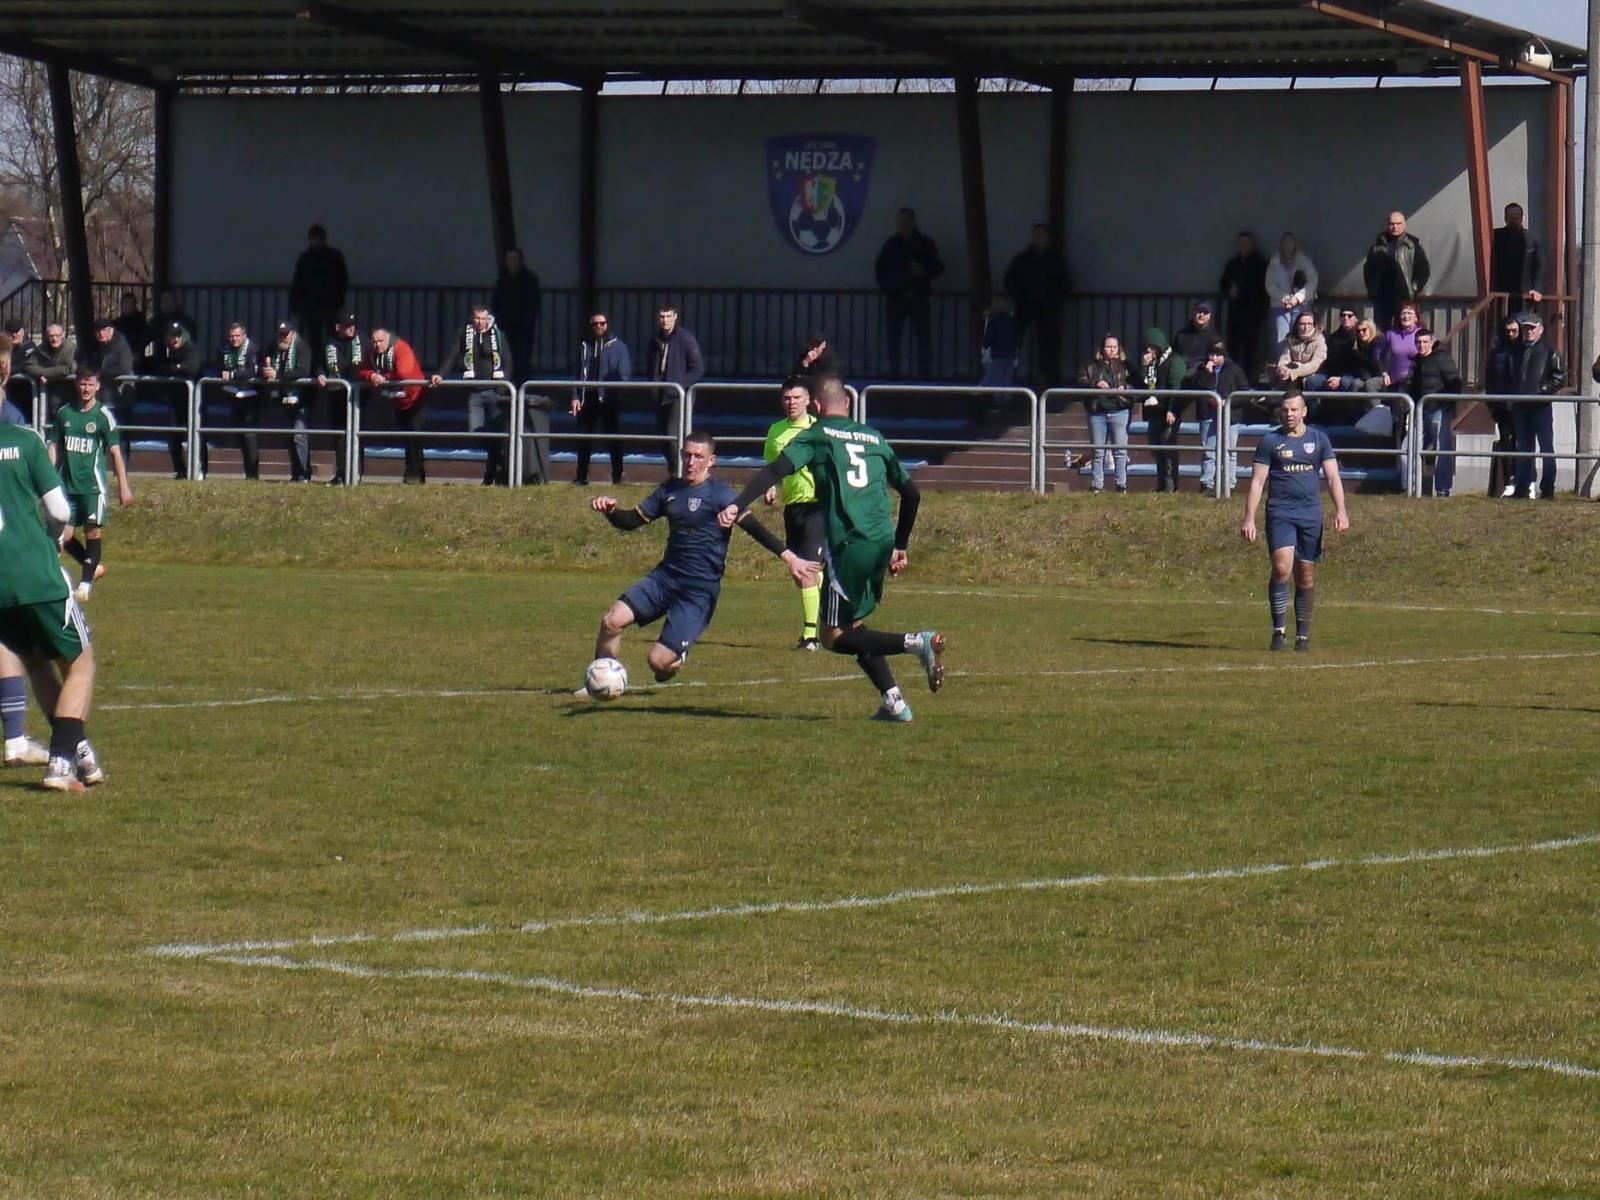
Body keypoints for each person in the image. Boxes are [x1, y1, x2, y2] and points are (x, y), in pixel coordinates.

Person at [718, 376, 945, 723]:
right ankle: (894, 704)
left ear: (817, 408)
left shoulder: (818, 434)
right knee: (855, 625)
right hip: (882, 538)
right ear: (849, 405)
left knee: (833, 636)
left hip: (849, 541)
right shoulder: (874, 436)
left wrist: (737, 503)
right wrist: (900, 545)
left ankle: (917, 642)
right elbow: (912, 494)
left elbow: (777, 469)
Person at [589, 432, 816, 685]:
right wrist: (610, 512)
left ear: (711, 461)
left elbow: (755, 529)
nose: (691, 461)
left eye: (698, 456)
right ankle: (600, 681)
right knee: (611, 622)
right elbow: (631, 521)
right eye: (687, 455)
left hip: (697, 591)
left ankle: (677, 655)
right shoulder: (669, 489)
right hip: (664, 578)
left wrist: (790, 558)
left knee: (659, 664)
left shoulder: (720, 495)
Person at [0, 399, 107, 790]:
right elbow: (60, 511)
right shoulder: (25, 440)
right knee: (81, 662)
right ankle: (60, 763)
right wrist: (51, 538)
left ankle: (80, 754)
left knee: (36, 660)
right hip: (35, 572)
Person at [1239, 386, 1350, 653]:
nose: (1288, 414)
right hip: (1280, 513)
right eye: (1285, 410)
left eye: (1293, 410)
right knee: (1281, 568)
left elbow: (1333, 478)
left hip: (1310, 514)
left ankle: (1302, 635)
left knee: (1305, 575)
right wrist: (1249, 518)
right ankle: (1279, 631)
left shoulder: (1319, 440)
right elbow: (1257, 482)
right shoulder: (1270, 442)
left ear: (1304, 412)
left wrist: (1341, 511)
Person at [49, 368, 133, 602]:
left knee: (92, 531)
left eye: (90, 384)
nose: (86, 388)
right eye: (82, 384)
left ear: (98, 387)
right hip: (68, 487)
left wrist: (123, 486)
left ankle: (85, 584)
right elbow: (54, 446)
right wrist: (48, 478)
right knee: (63, 537)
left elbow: (115, 452)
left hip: (93, 488)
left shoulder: (103, 416)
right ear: (77, 385)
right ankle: (93, 567)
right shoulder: (65, 414)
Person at [762, 377, 824, 650]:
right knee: (799, 573)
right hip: (793, 506)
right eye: (787, 398)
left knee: (806, 570)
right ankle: (826, 587)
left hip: (817, 505)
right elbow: (772, 465)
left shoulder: (818, 429)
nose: (791, 402)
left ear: (808, 400)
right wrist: (772, 487)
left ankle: (811, 636)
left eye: (797, 398)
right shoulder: (775, 431)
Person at [433, 304, 513, 486]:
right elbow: (452, 355)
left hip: (494, 390)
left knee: (495, 433)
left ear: (488, 319)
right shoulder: (464, 333)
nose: (479, 322)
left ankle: (490, 473)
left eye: (482, 319)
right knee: (475, 431)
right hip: (474, 391)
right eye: (476, 318)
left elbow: (508, 361)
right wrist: (440, 373)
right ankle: (500, 462)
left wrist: (502, 386)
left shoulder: (498, 335)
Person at [874, 207, 944, 380]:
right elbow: (879, 269)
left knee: (923, 338)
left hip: (918, 296)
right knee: (893, 339)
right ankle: (894, 374)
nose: (902, 226)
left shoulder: (925, 244)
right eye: (899, 223)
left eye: (905, 222)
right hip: (896, 298)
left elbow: (938, 266)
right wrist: (888, 286)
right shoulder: (891, 245)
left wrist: (924, 271)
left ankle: (924, 375)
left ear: (913, 222)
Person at [1002, 223, 1069, 381]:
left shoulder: (1055, 261)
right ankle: (1010, 374)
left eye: (1042, 235)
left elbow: (1064, 283)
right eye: (1035, 235)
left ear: (1048, 238)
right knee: (1014, 340)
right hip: (1024, 305)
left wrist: (1056, 300)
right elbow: (1010, 280)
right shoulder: (1023, 259)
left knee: (1047, 344)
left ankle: (1045, 376)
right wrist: (1016, 297)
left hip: (1047, 307)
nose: (1038, 239)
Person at [361, 326, 427, 484]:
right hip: (397, 401)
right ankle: (414, 473)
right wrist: (372, 375)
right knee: (406, 438)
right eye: (375, 342)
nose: (377, 345)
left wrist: (383, 377)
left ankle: (414, 474)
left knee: (414, 436)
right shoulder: (372, 353)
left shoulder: (401, 348)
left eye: (381, 341)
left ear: (388, 339)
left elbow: (403, 372)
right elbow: (362, 370)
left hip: (415, 397)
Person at [572, 312, 631, 486]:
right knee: (583, 439)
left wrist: (614, 391)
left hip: (608, 399)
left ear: (608, 324)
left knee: (613, 439)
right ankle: (581, 476)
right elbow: (576, 373)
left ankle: (618, 476)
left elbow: (625, 374)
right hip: (587, 397)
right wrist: (575, 396)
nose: (599, 327)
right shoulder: (584, 347)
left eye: (602, 323)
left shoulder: (618, 347)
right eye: (595, 324)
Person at [645, 303, 704, 478]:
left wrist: (678, 385)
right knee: (662, 436)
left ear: (675, 316)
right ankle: (673, 471)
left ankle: (680, 473)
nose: (665, 320)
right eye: (662, 317)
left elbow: (697, 370)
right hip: (660, 394)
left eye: (668, 316)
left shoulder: (685, 338)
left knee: (674, 436)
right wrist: (653, 384)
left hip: (678, 396)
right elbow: (651, 366)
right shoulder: (655, 339)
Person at [1510, 312, 1564, 501]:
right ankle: (1522, 487)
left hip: (1540, 406)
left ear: (1540, 330)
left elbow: (1559, 377)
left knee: (1546, 447)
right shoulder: (1516, 351)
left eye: (1532, 328)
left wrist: (1543, 391)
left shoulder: (1549, 350)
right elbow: (1511, 375)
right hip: (1520, 406)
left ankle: (1547, 488)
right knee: (1524, 447)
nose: (1528, 332)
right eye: (1526, 328)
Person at [1187, 339, 1251, 494]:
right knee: (1208, 450)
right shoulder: (1201, 370)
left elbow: (1245, 393)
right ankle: (1206, 483)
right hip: (1207, 415)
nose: (1213, 358)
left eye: (1217, 355)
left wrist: (1226, 402)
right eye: (1211, 354)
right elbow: (1197, 386)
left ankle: (1229, 484)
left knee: (1229, 452)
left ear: (1223, 356)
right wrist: (1207, 374)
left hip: (1229, 417)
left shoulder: (1234, 370)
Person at [1407, 328, 1464, 498]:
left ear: (1432, 342)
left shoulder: (1442, 358)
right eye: (1418, 342)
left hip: (1439, 410)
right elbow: (1412, 386)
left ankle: (1442, 489)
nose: (1421, 345)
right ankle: (1412, 486)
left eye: (1425, 342)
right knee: (1410, 447)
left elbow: (1455, 384)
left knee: (1442, 449)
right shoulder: (1416, 361)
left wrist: (1446, 404)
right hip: (1419, 410)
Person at [1131, 328, 1187, 493]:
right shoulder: (1152, 364)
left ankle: (1170, 484)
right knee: (1157, 449)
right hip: (1153, 412)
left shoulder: (1174, 361)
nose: (1149, 351)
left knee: (1168, 447)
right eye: (1147, 347)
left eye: (1152, 347)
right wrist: (1143, 366)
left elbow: (1176, 387)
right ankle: (1161, 483)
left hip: (1167, 411)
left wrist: (1172, 410)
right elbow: (1143, 383)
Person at [146, 320, 204, 478]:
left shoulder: (190, 348)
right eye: (172, 336)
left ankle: (200, 470)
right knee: (174, 434)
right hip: (175, 400)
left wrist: (176, 368)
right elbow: (158, 367)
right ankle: (180, 470)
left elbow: (192, 367)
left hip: (193, 400)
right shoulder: (164, 350)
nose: (175, 339)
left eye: (178, 336)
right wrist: (173, 368)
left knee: (196, 434)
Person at [260, 320, 317, 482]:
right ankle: (296, 472)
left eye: (286, 334)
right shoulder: (274, 347)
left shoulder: (302, 347)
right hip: (283, 397)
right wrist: (266, 371)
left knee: (299, 435)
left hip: (302, 397)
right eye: (280, 334)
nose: (283, 338)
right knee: (289, 436)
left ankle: (305, 472)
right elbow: (265, 363)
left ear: (293, 334)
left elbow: (302, 371)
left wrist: (277, 375)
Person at [1076, 333, 1132, 494]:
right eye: (1108, 346)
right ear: (1102, 349)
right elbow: (1080, 380)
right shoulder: (1090, 365)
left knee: (1120, 450)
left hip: (1119, 411)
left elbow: (1138, 382)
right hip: (1097, 412)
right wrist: (1095, 383)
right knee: (1097, 450)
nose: (1112, 350)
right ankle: (1097, 485)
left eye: (1115, 346)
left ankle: (1121, 484)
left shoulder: (1126, 365)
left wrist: (1126, 389)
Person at [315, 312, 365, 485]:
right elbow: (320, 364)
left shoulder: (362, 342)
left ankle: (357, 472)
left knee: (356, 434)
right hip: (336, 394)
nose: (351, 328)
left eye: (352, 325)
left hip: (357, 396)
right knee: (339, 435)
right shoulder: (329, 344)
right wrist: (320, 374)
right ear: (338, 328)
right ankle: (341, 473)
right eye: (347, 325)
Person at [290, 223, 349, 367]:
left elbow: (343, 281)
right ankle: (314, 369)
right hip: (310, 309)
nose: (316, 242)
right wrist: (297, 306)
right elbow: (297, 283)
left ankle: (332, 367)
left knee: (332, 341)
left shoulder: (334, 257)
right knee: (312, 342)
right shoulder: (305, 259)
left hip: (330, 308)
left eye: (319, 238)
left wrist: (338, 302)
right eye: (314, 239)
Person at [211, 322, 263, 480]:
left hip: (250, 395)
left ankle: (253, 474)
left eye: (237, 336)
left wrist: (232, 375)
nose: (234, 339)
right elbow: (219, 366)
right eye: (231, 336)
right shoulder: (223, 348)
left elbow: (251, 371)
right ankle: (247, 472)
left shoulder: (253, 349)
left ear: (244, 335)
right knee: (239, 435)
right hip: (232, 395)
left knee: (250, 435)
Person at [1364, 211, 1430, 333]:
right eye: (1391, 224)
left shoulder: (1412, 246)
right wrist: (1372, 290)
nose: (1394, 227)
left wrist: (1413, 288)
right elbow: (1368, 270)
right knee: (1381, 333)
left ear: (1404, 225)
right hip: (1382, 298)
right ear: (1387, 225)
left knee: (1406, 330)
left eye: (1398, 223)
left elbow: (1424, 270)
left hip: (1404, 297)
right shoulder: (1377, 246)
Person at [1218, 231, 1269, 377]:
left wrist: (1244, 292)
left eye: (1246, 244)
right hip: (1235, 313)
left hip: (1253, 313)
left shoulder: (1260, 265)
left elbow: (1262, 289)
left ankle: (1250, 382)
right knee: (1233, 349)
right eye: (1241, 244)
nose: (1243, 247)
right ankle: (1231, 380)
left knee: (1251, 351)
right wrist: (1230, 291)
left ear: (1252, 245)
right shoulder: (1232, 264)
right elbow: (1223, 285)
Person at [1483, 315, 1523, 497]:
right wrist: (1491, 402)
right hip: (1501, 406)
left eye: (1514, 330)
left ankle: (1524, 481)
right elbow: (1490, 378)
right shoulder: (1497, 352)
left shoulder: (1524, 350)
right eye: (1508, 331)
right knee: (1506, 442)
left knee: (1523, 443)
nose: (1511, 334)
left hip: (1521, 405)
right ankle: (1509, 481)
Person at [491, 246, 541, 385]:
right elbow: (495, 302)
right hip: (504, 327)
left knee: (522, 360)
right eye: (509, 258)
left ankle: (522, 388)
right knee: (505, 359)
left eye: (514, 258)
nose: (511, 261)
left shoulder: (529, 279)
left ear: (520, 260)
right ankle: (506, 388)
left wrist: (527, 321)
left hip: (523, 329)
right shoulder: (502, 279)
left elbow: (534, 303)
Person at [1265, 232, 1318, 343]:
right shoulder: (1274, 262)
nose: (1287, 244)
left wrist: (1297, 298)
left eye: (1290, 241)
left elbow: (1312, 281)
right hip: (1280, 306)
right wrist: (1285, 298)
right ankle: (1283, 360)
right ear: (1281, 244)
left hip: (1301, 305)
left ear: (1295, 244)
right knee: (1282, 340)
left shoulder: (1303, 261)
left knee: (1302, 336)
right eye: (1284, 241)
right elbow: (1270, 285)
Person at [1490, 203, 1543, 307]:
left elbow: (1539, 265)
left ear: (1523, 218)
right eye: (1510, 217)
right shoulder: (1496, 236)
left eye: (1517, 217)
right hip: (1501, 292)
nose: (1514, 220)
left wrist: (1536, 288)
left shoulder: (1532, 239)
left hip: (1525, 295)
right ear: (1505, 218)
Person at [23, 323, 76, 415]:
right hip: (47, 393)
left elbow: (69, 368)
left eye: (57, 335)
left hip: (67, 392)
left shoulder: (70, 347)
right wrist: (42, 373)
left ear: (63, 335)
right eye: (51, 336)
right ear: (47, 336)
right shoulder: (42, 348)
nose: (54, 339)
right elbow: (28, 366)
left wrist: (46, 374)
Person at [76, 318, 135, 395]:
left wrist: (98, 373)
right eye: (98, 331)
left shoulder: (121, 345)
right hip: (99, 388)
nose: (101, 334)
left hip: (119, 390)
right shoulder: (94, 345)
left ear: (111, 330)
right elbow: (85, 362)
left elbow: (124, 369)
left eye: (104, 330)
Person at [1273, 311, 1327, 386]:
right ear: (1297, 325)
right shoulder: (1291, 339)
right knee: (1280, 377)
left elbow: (1315, 364)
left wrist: (1295, 372)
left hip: (1314, 373)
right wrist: (1282, 368)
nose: (1306, 327)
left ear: (1314, 325)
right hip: (1292, 371)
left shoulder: (1319, 340)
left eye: (1309, 324)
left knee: (1310, 381)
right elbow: (1285, 356)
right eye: (1302, 324)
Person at [978, 293, 1020, 389]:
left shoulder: (994, 320)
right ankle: (1006, 399)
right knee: (1007, 379)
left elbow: (990, 336)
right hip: (1011, 354)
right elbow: (1016, 337)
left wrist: (985, 344)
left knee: (996, 378)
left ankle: (996, 398)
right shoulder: (1011, 320)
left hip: (998, 354)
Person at [1172, 300, 1221, 374]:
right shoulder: (1181, 335)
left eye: (1205, 313)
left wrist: (1212, 363)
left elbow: (1221, 358)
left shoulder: (1214, 338)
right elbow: (1173, 356)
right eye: (1199, 311)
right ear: (1193, 313)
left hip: (1203, 373)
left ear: (1209, 316)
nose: (1201, 315)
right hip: (1182, 372)